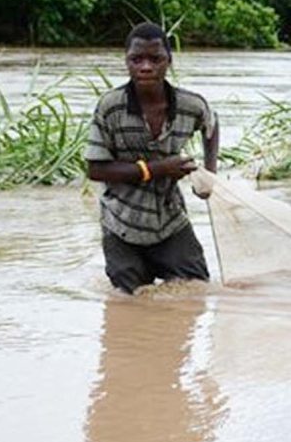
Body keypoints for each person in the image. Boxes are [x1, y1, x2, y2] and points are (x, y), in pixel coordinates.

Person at [85, 22, 219, 294]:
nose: (145, 67)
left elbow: (212, 126)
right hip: (121, 222)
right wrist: (157, 169)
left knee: (196, 290)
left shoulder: (190, 105)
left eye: (155, 59)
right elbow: (96, 169)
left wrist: (209, 174)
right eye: (137, 59)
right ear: (127, 62)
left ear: (168, 62)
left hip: (169, 219)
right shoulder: (111, 107)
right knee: (130, 299)